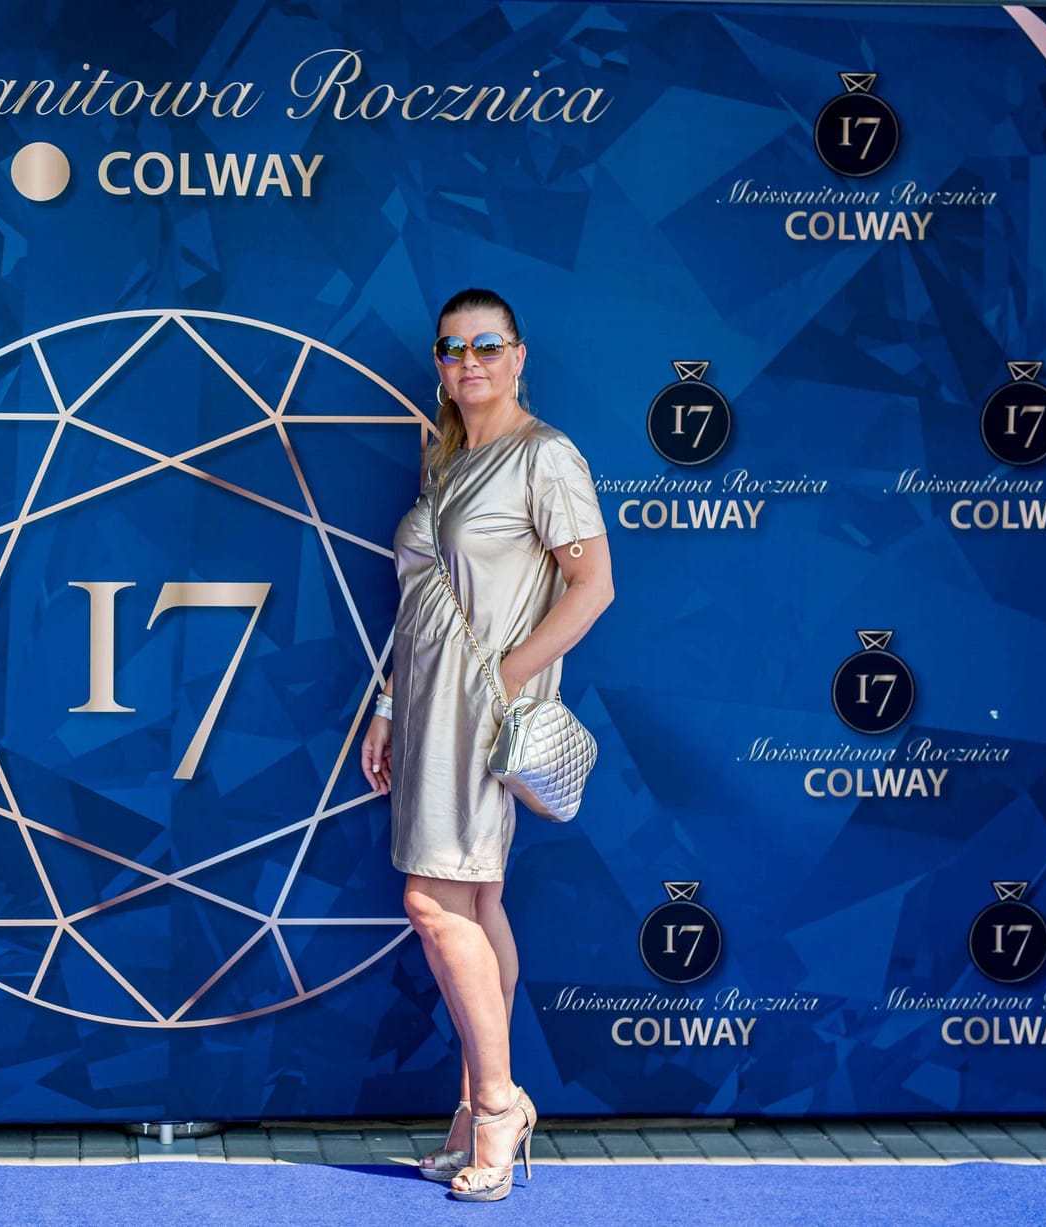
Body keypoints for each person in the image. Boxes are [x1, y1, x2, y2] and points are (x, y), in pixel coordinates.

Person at [359, 288, 613, 1202]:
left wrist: (504, 681)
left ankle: (500, 1105)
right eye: (450, 348)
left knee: (432, 901)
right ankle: (473, 1108)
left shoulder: (545, 457)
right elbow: (420, 604)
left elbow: (592, 588)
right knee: (476, 899)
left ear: (517, 355)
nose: (467, 361)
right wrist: (390, 704)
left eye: (486, 345)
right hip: (428, 708)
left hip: (482, 711)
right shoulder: (448, 459)